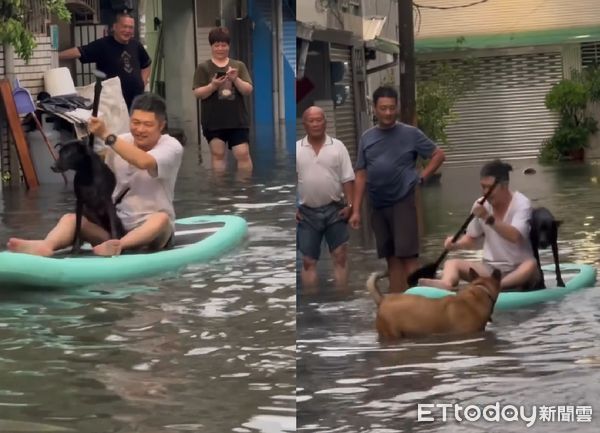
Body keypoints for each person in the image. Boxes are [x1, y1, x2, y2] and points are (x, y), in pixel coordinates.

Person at [7, 93, 184, 257]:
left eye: (147, 124)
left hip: (153, 231)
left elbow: (144, 162)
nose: (140, 129)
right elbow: (96, 168)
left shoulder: (171, 147)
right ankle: (46, 246)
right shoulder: (120, 141)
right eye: (135, 122)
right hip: (116, 227)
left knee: (161, 219)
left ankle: (118, 246)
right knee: (71, 219)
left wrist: (106, 134)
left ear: (161, 125)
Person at [349, 86, 445, 292]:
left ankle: (419, 303)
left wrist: (422, 177)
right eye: (383, 108)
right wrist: (356, 210)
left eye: (392, 108)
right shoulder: (367, 138)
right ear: (374, 109)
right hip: (377, 203)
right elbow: (361, 174)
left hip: (402, 200)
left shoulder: (410, 134)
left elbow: (438, 155)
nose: (388, 113)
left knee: (408, 257)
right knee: (391, 258)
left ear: (397, 108)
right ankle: (396, 303)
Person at [419, 160, 540, 291]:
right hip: (490, 269)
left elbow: (515, 236)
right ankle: (447, 284)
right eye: (483, 187)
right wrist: (456, 244)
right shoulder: (480, 205)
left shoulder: (522, 204)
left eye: (489, 187)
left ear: (504, 185)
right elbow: (471, 239)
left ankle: (497, 286)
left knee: (531, 265)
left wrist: (487, 217)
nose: (485, 192)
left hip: (518, 267)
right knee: (451, 263)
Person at [297, 106, 355, 289]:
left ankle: (342, 297)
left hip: (335, 209)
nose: (315, 124)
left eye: (319, 120)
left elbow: (348, 178)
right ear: (304, 124)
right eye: (311, 120)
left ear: (326, 122)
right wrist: (292, 208)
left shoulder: (338, 147)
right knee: (308, 260)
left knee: (340, 256)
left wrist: (351, 205)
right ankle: (310, 303)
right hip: (306, 213)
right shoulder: (297, 148)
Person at [59, 12, 151, 110]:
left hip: (136, 99)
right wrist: (55, 56)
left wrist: (142, 82)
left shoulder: (136, 45)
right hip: (113, 101)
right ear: (115, 27)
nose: (127, 30)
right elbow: (79, 51)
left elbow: (146, 64)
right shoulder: (103, 45)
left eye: (130, 27)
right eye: (124, 26)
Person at [192, 27, 253, 173]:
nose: (220, 48)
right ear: (211, 46)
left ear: (229, 46)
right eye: (217, 45)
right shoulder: (203, 67)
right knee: (218, 154)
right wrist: (213, 86)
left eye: (224, 45)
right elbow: (198, 93)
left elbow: (248, 89)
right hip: (213, 121)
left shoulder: (238, 65)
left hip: (237, 120)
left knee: (242, 153)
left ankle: (244, 189)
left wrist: (235, 79)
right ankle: (220, 191)